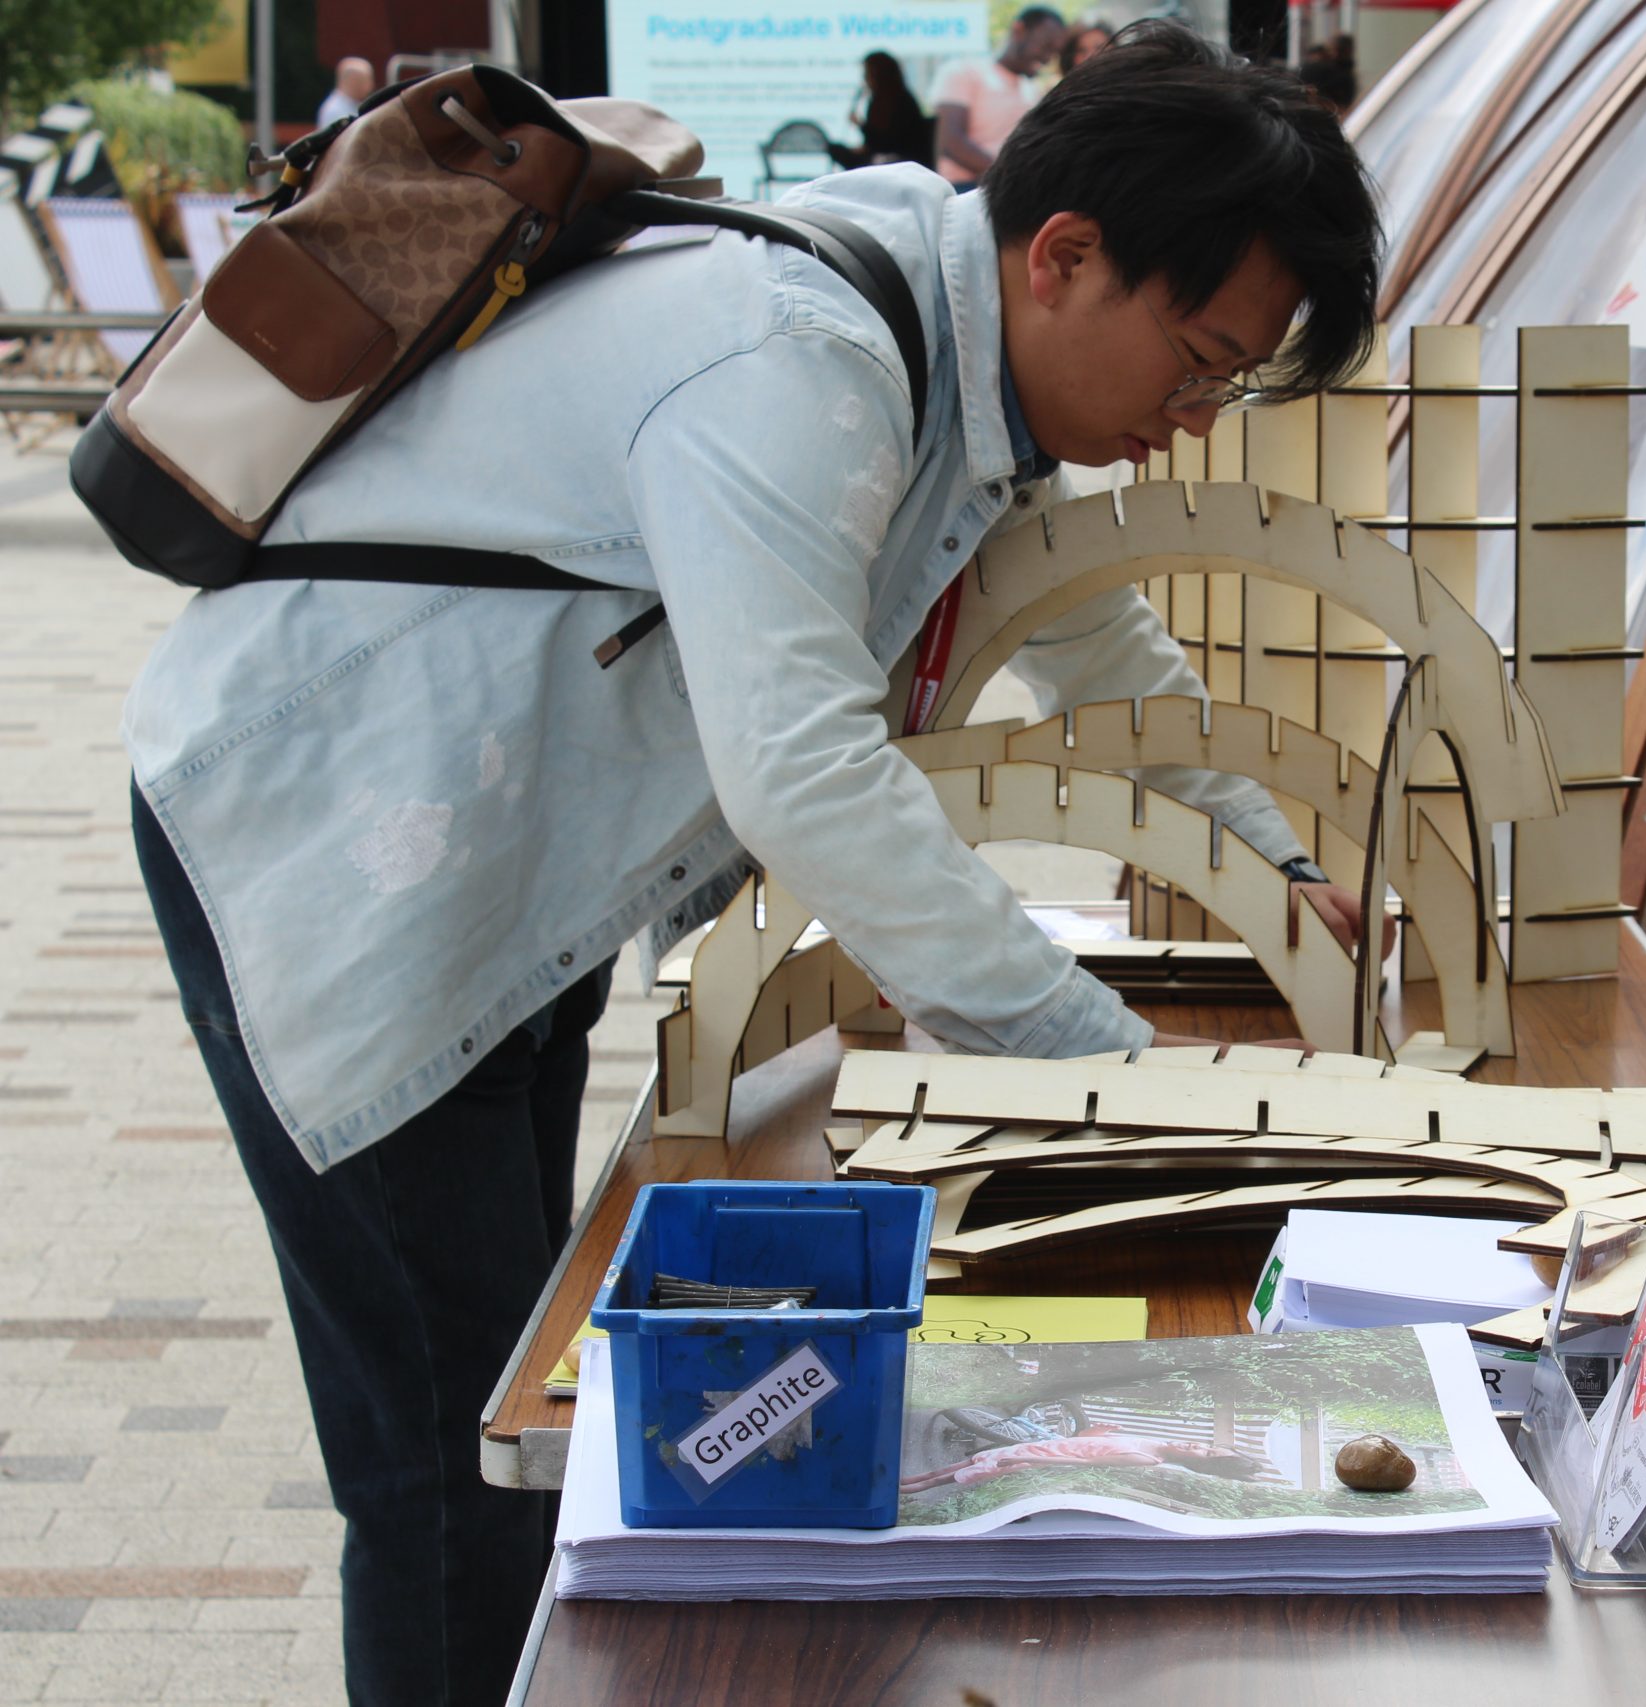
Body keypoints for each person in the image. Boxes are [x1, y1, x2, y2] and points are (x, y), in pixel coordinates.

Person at [125, 23, 1379, 1705]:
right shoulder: (801, 361)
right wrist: (1110, 1076)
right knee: (445, 1458)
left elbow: (1105, 653)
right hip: (331, 851)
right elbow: (804, 771)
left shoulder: (952, 357)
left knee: (510, 1381)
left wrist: (1272, 862)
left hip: (496, 878)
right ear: (1065, 257)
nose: (1195, 416)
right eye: (1202, 356)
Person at [931, 5, 1069, 190]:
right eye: (1045, 45)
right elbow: (951, 142)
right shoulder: (963, 71)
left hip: (1009, 192)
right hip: (966, 191)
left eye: (1054, 52)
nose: (1047, 58)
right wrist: (1010, 177)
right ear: (1019, 30)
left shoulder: (1032, 91)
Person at [902, 1431, 1269, 1492]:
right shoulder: (1152, 1440)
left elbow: (1082, 1465)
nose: (1197, 1444)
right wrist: (1095, 1433)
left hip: (1031, 1458)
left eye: (1204, 1453)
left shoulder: (1145, 1458)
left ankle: (901, 1494)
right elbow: (1087, 1447)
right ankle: (898, 1484)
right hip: (1036, 1446)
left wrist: (1025, 1456)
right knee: (943, 1469)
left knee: (943, 1480)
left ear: (1201, 1466)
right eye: (1207, 1443)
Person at [845, 50, 935, 168]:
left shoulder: (902, 101)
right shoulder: (877, 102)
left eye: (867, 74)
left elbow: (888, 142)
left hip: (901, 161)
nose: (865, 79)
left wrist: (861, 125)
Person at [315, 55, 375, 127]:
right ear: (351, 81)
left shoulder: (354, 104)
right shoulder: (335, 111)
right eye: (364, 81)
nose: (370, 86)